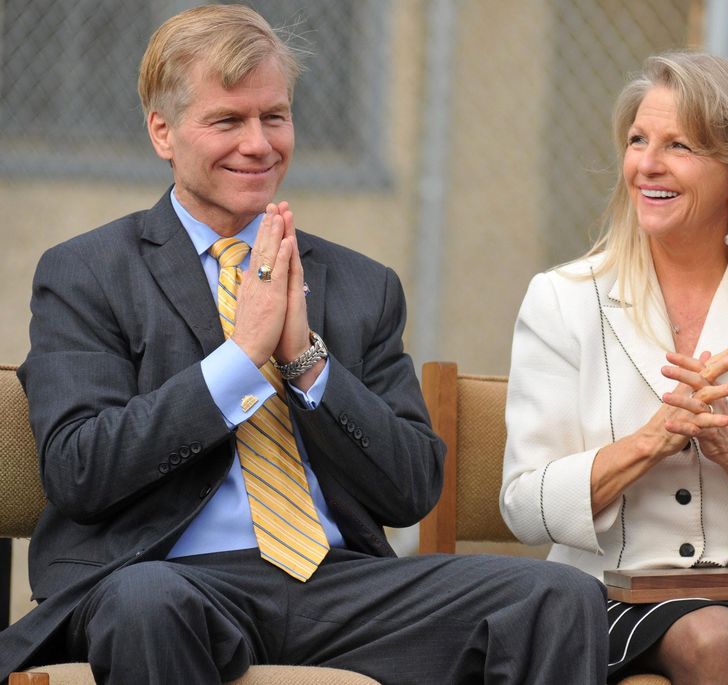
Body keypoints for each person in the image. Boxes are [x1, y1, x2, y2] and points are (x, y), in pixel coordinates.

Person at [0, 5, 609, 684]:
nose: (259, 144)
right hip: (167, 579)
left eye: (275, 116)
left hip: (337, 587)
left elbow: (411, 488)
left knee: (556, 597)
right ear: (163, 132)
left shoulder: (358, 284)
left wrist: (305, 361)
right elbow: (80, 469)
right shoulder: (89, 272)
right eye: (228, 120)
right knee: (147, 602)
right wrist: (237, 361)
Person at [501, 51, 728, 685]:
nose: (648, 163)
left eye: (679, 146)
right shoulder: (562, 299)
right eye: (638, 141)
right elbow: (522, 505)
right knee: (712, 636)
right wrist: (651, 442)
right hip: (617, 594)